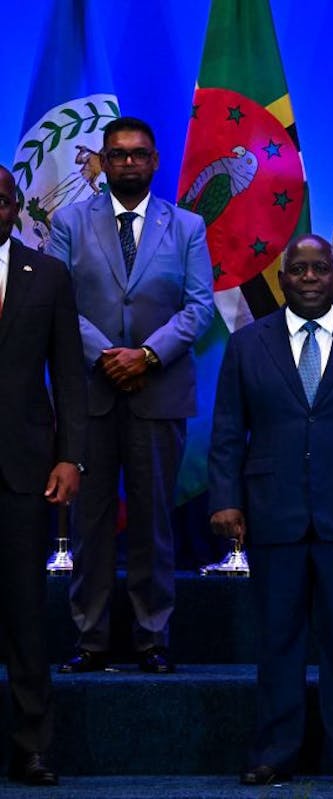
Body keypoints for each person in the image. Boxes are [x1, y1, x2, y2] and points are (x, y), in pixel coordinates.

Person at [208, 234, 333, 786]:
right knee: (278, 639)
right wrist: (225, 498)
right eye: (298, 270)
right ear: (282, 280)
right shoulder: (248, 343)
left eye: (320, 268)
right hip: (274, 511)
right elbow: (227, 429)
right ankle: (275, 752)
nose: (310, 278)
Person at [49, 116, 214, 675]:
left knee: (153, 521)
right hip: (90, 393)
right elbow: (59, 304)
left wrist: (145, 355)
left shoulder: (187, 226)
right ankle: (90, 638)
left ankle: (152, 639)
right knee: (90, 522)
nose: (127, 163)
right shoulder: (69, 221)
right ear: (103, 161)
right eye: (117, 154)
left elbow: (200, 307)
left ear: (154, 161)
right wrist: (107, 356)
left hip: (158, 390)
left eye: (138, 154)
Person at [0, 165, 87, 787]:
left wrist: (69, 456)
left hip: (23, 468)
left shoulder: (49, 274)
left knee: (25, 612)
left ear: (15, 208)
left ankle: (32, 747)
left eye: (1, 200)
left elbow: (70, 374)